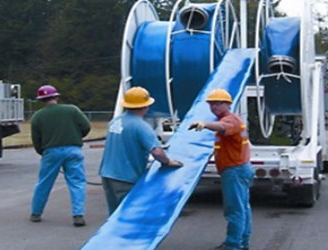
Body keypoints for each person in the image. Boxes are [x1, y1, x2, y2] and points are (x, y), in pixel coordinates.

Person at [99, 86, 184, 214]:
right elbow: (157, 152)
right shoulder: (141, 126)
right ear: (146, 106)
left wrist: (152, 146)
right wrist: (167, 161)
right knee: (128, 214)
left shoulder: (115, 121)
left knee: (115, 214)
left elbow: (125, 141)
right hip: (125, 177)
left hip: (107, 173)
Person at [189, 89, 253, 250]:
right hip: (238, 168)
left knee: (235, 210)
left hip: (234, 170)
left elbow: (222, 127)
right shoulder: (232, 119)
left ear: (228, 104)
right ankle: (242, 241)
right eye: (212, 104)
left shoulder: (231, 121)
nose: (214, 107)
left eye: (218, 104)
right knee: (242, 207)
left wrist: (205, 124)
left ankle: (233, 245)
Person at [29, 85, 91, 227]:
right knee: (77, 182)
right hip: (73, 149)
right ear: (56, 97)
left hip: (51, 151)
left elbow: (36, 139)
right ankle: (78, 215)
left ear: (41, 100)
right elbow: (86, 126)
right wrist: (76, 136)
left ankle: (36, 213)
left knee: (44, 182)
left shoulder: (37, 116)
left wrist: (42, 152)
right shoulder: (72, 110)